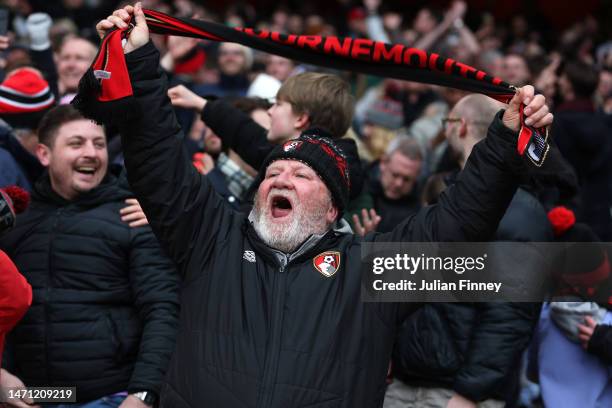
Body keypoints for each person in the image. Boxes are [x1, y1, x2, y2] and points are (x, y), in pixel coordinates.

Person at [94, 4, 553, 407]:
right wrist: (138, 59)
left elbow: (456, 225)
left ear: (334, 209)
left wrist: (505, 139)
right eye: (273, 172)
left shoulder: (366, 273)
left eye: (302, 175)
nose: (282, 177)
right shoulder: (211, 242)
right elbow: (159, 163)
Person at [0, 105, 180, 408]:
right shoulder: (19, 224)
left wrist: (143, 394)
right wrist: (1, 375)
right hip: (32, 397)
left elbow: (163, 309)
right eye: (76, 143)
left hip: (109, 396)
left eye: (98, 144)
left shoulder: (134, 217)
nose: (91, 153)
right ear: (44, 155)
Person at [386, 94, 552, 408]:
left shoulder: (520, 211)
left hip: (454, 395)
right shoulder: (445, 194)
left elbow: (510, 314)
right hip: (406, 382)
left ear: (459, 126)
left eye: (447, 121)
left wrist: (468, 394)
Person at [367, 137, 423, 233]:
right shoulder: (359, 188)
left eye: (407, 179)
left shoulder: (418, 213)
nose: (398, 184)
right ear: (383, 163)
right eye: (395, 175)